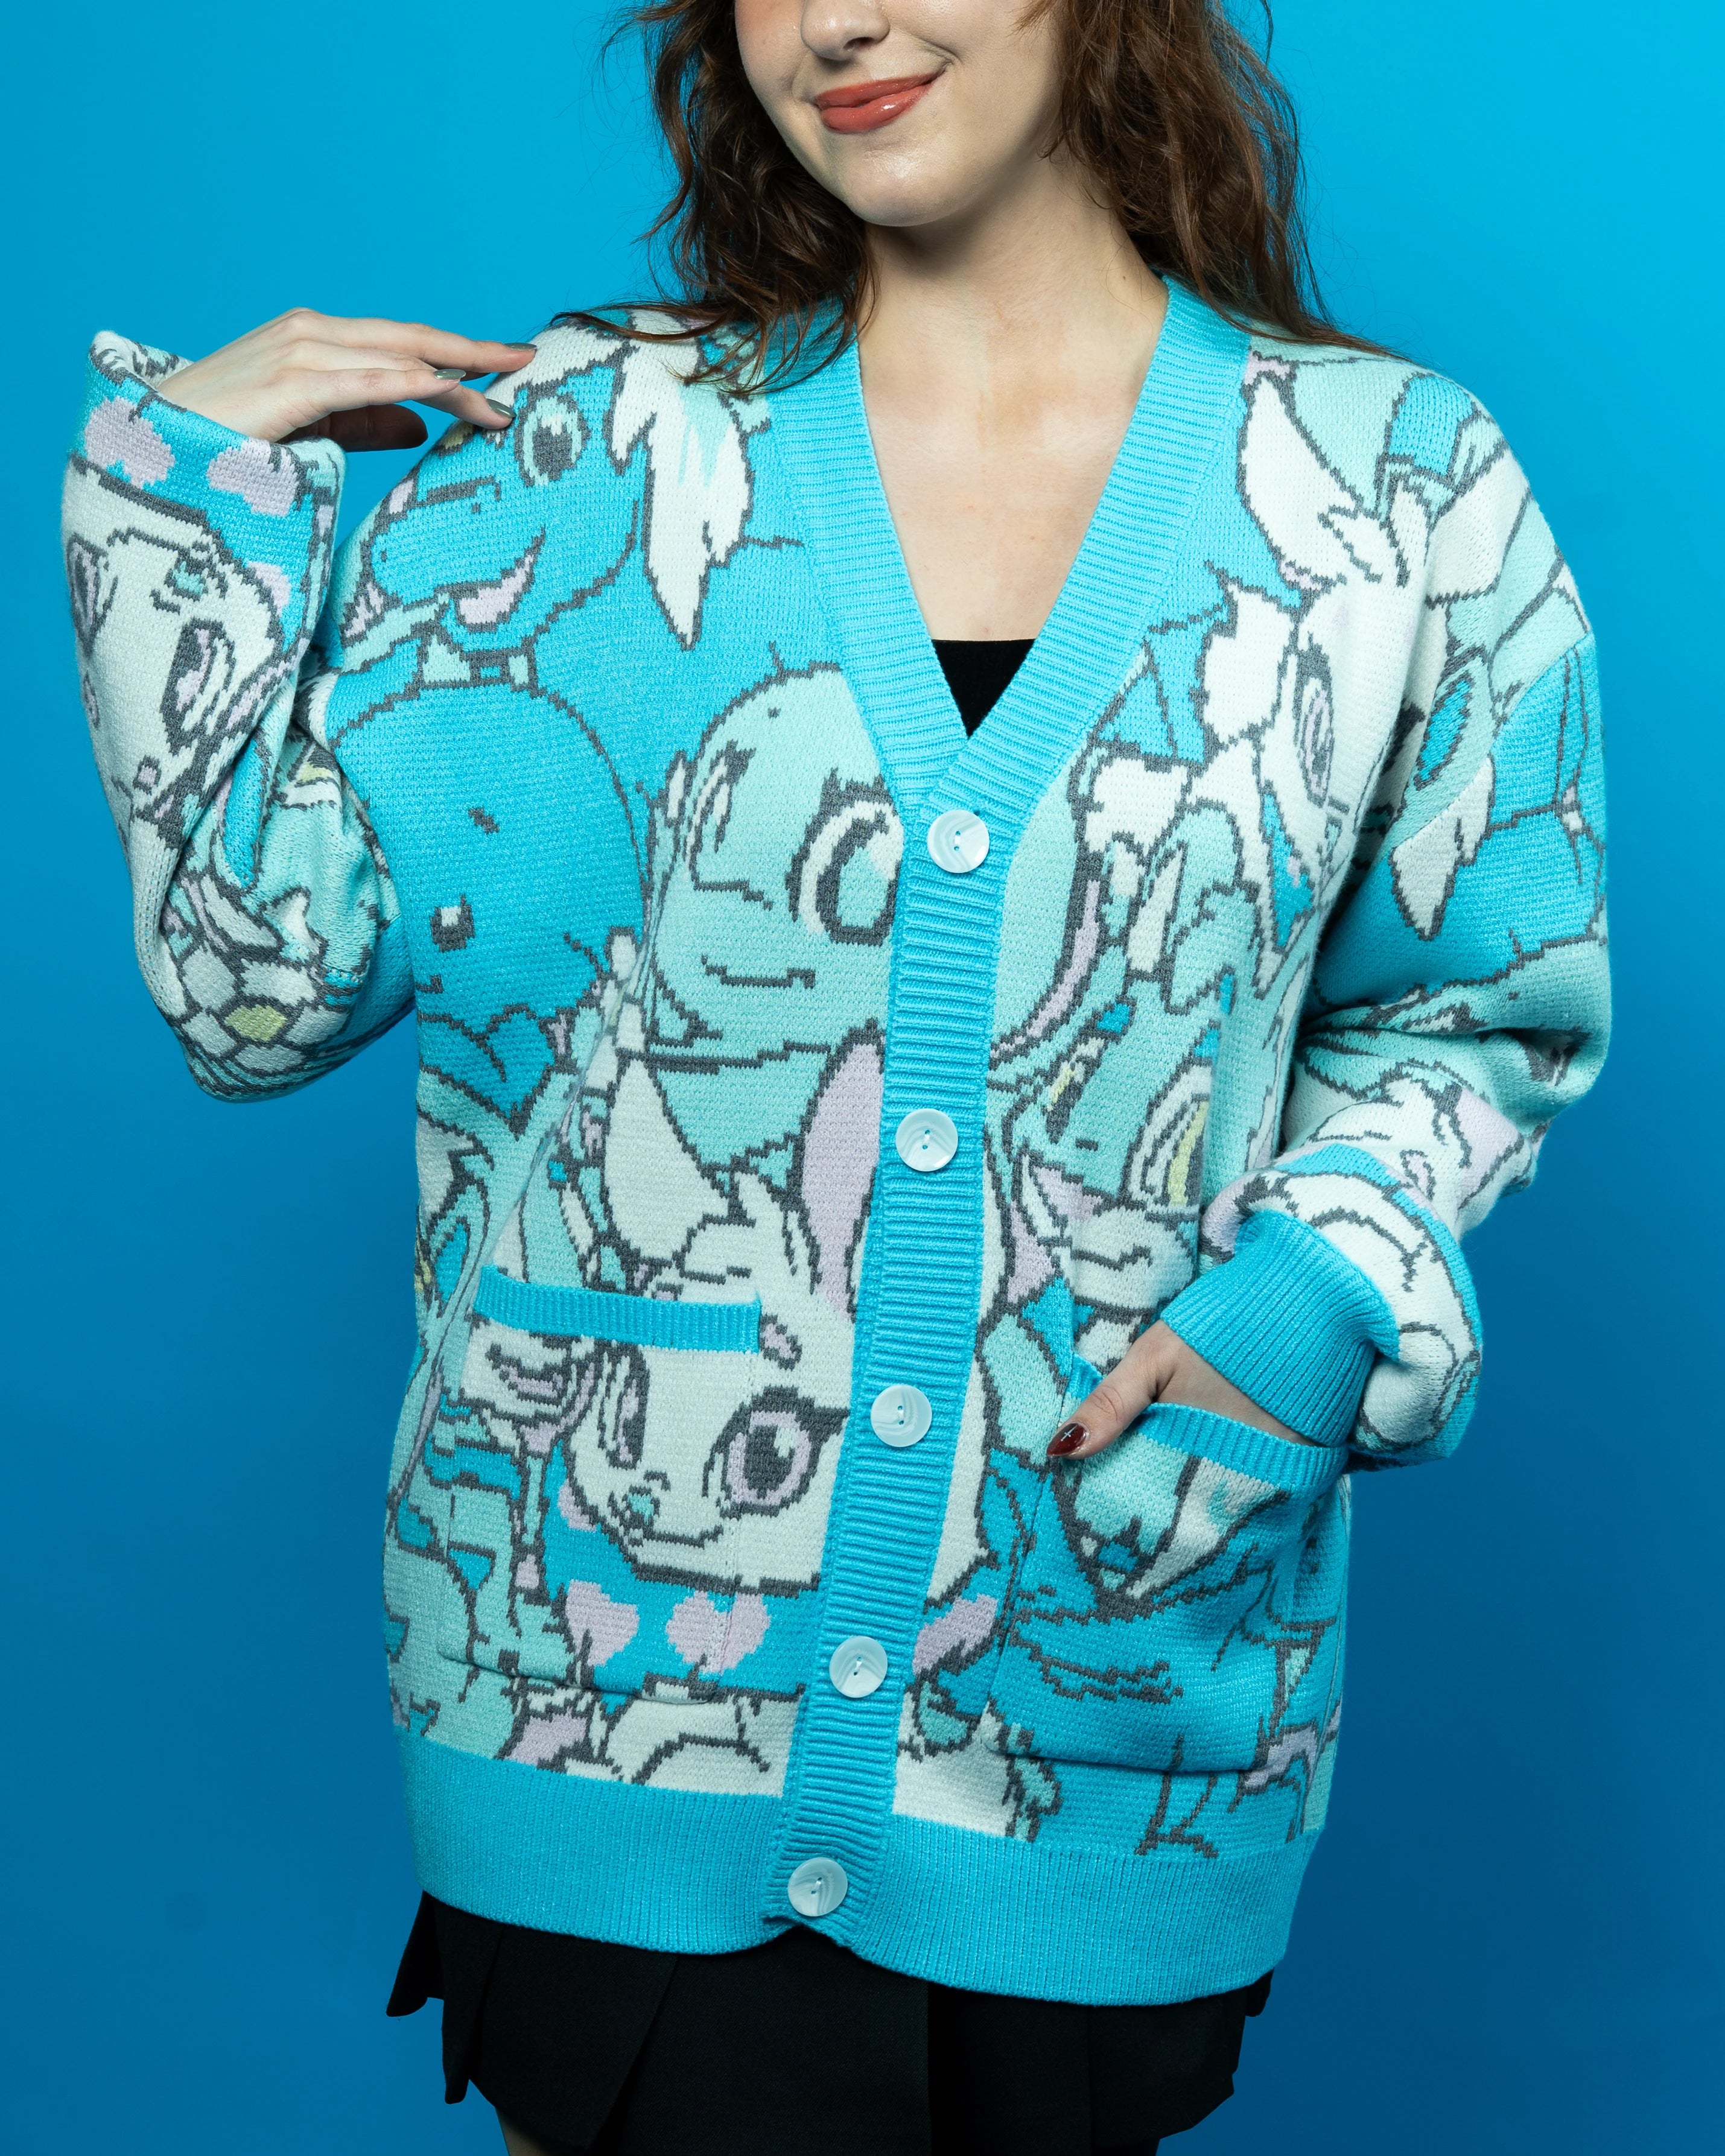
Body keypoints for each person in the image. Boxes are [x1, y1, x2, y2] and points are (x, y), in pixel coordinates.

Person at [61, 2, 1609, 2151]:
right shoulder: (595, 450)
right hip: (597, 1695)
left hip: (1108, 1708)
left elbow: (1481, 1006)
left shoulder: (1392, 489)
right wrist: (172, 517)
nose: (841, 20)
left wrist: (1312, 1301)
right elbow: (254, 985)